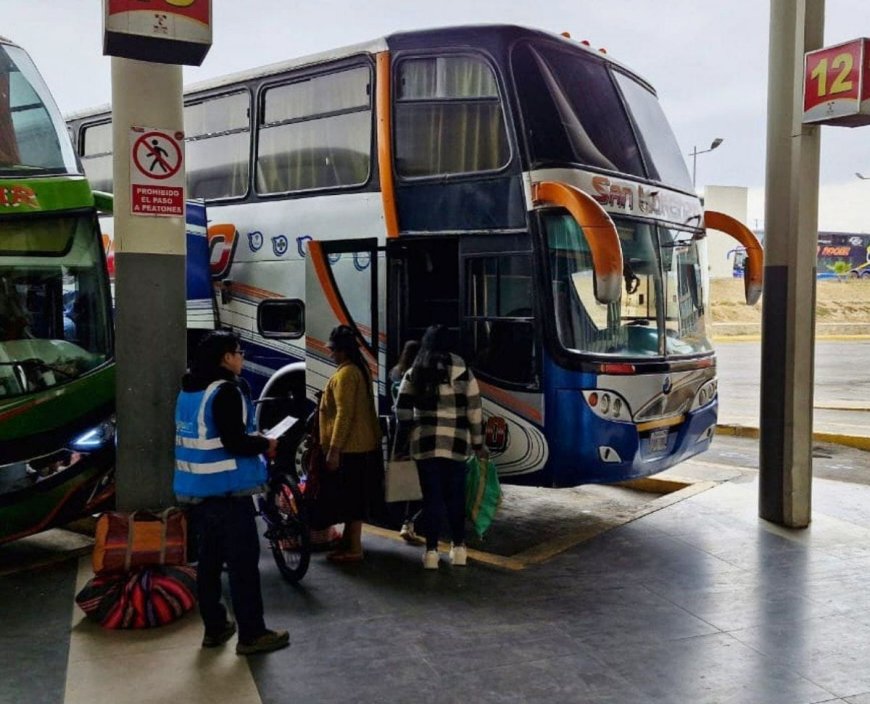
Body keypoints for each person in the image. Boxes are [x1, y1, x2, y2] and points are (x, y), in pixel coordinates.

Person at [174, 330, 289, 656]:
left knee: (208, 564)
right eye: (239, 352)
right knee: (242, 566)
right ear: (226, 357)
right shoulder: (225, 391)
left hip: (196, 492)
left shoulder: (189, 391)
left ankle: (216, 627)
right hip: (227, 493)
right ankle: (253, 634)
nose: (242, 358)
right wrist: (265, 443)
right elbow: (234, 441)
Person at [395, 324, 486, 569]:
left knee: (431, 499)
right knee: (455, 498)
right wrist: (478, 444)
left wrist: (408, 431)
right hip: (456, 444)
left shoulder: (417, 368)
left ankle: (432, 553)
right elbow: (475, 410)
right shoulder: (462, 370)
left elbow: (401, 408)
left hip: (424, 444)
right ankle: (459, 550)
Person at [317, 324, 382, 563]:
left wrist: (333, 450)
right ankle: (348, 543)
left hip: (350, 448)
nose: (330, 354)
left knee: (352, 501)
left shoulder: (346, 374)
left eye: (333, 350)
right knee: (353, 498)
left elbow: (344, 415)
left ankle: (354, 548)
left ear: (342, 351)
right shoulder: (358, 369)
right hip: (361, 446)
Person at [388, 340, 424, 545]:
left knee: (403, 475)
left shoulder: (395, 372)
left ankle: (400, 518)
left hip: (397, 424)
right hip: (413, 427)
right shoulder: (414, 376)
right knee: (418, 478)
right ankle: (410, 521)